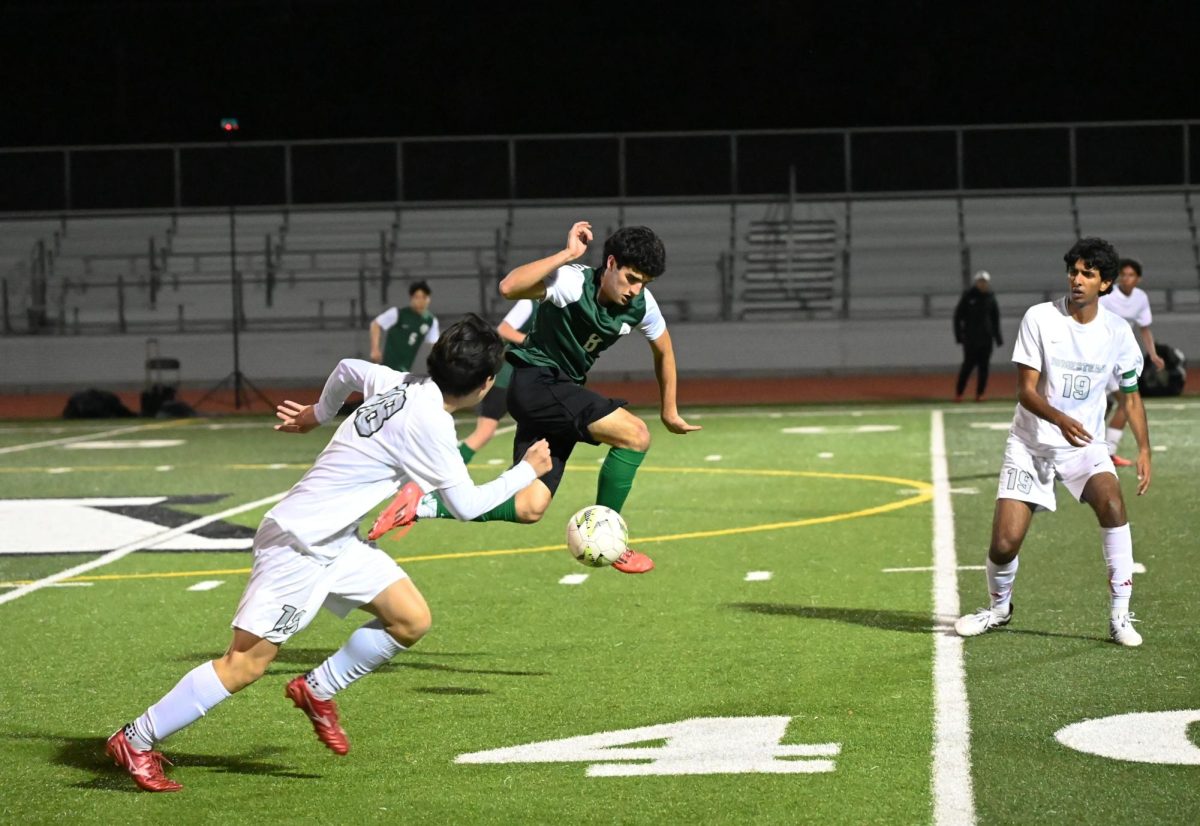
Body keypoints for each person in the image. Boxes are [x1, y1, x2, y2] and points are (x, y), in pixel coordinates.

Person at [105, 315, 552, 792]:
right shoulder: (435, 425)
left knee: (409, 619)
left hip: (335, 540)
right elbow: (467, 506)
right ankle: (136, 738)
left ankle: (317, 688)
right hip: (299, 545)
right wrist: (526, 470)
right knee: (244, 664)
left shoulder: (401, 381)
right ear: (485, 385)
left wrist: (319, 414)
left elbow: (346, 368)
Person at [408, 221, 701, 574]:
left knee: (529, 507)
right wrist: (567, 254)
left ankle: (422, 505)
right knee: (635, 435)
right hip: (535, 382)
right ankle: (610, 535)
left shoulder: (642, 305)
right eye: (631, 278)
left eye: (644, 283)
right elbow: (508, 287)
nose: (636, 290)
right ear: (609, 264)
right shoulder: (572, 282)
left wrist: (669, 409)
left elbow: (664, 351)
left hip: (560, 392)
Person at [954, 237, 1152, 647]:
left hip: (1085, 446)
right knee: (1005, 543)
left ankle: (1119, 616)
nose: (1076, 280)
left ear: (1106, 284)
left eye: (1087, 274)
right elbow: (1026, 391)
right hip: (1032, 442)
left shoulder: (1118, 333)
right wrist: (1060, 419)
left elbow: (1130, 396)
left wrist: (1144, 449)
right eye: (1073, 271)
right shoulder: (1040, 318)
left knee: (1113, 505)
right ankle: (998, 609)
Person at [1099, 257, 1166, 466]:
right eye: (1124, 275)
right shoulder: (1108, 295)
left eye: (1131, 275)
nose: (1126, 279)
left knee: (1123, 403)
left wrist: (1153, 354)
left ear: (1139, 279)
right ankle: (1099, 453)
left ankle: (1105, 452)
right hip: (1102, 355)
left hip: (1122, 357)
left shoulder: (1140, 298)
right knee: (1123, 402)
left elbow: (1144, 328)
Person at [457, 299, 535, 463]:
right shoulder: (529, 303)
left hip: (526, 378)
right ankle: (445, 473)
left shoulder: (558, 304)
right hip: (505, 378)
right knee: (485, 431)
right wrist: (531, 341)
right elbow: (504, 330)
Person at [953, 269, 1003, 402]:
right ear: (976, 282)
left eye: (985, 282)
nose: (982, 284)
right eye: (980, 281)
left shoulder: (991, 297)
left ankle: (980, 394)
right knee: (967, 367)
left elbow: (995, 318)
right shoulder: (968, 296)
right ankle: (959, 393)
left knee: (984, 368)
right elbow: (958, 317)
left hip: (986, 340)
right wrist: (959, 336)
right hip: (970, 339)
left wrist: (998, 338)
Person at [369, 280, 439, 371]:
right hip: (387, 367)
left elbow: (434, 345)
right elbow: (375, 324)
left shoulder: (431, 321)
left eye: (424, 297)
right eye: (417, 297)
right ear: (411, 298)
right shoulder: (398, 314)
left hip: (405, 369)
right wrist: (375, 349)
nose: (421, 301)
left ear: (429, 299)